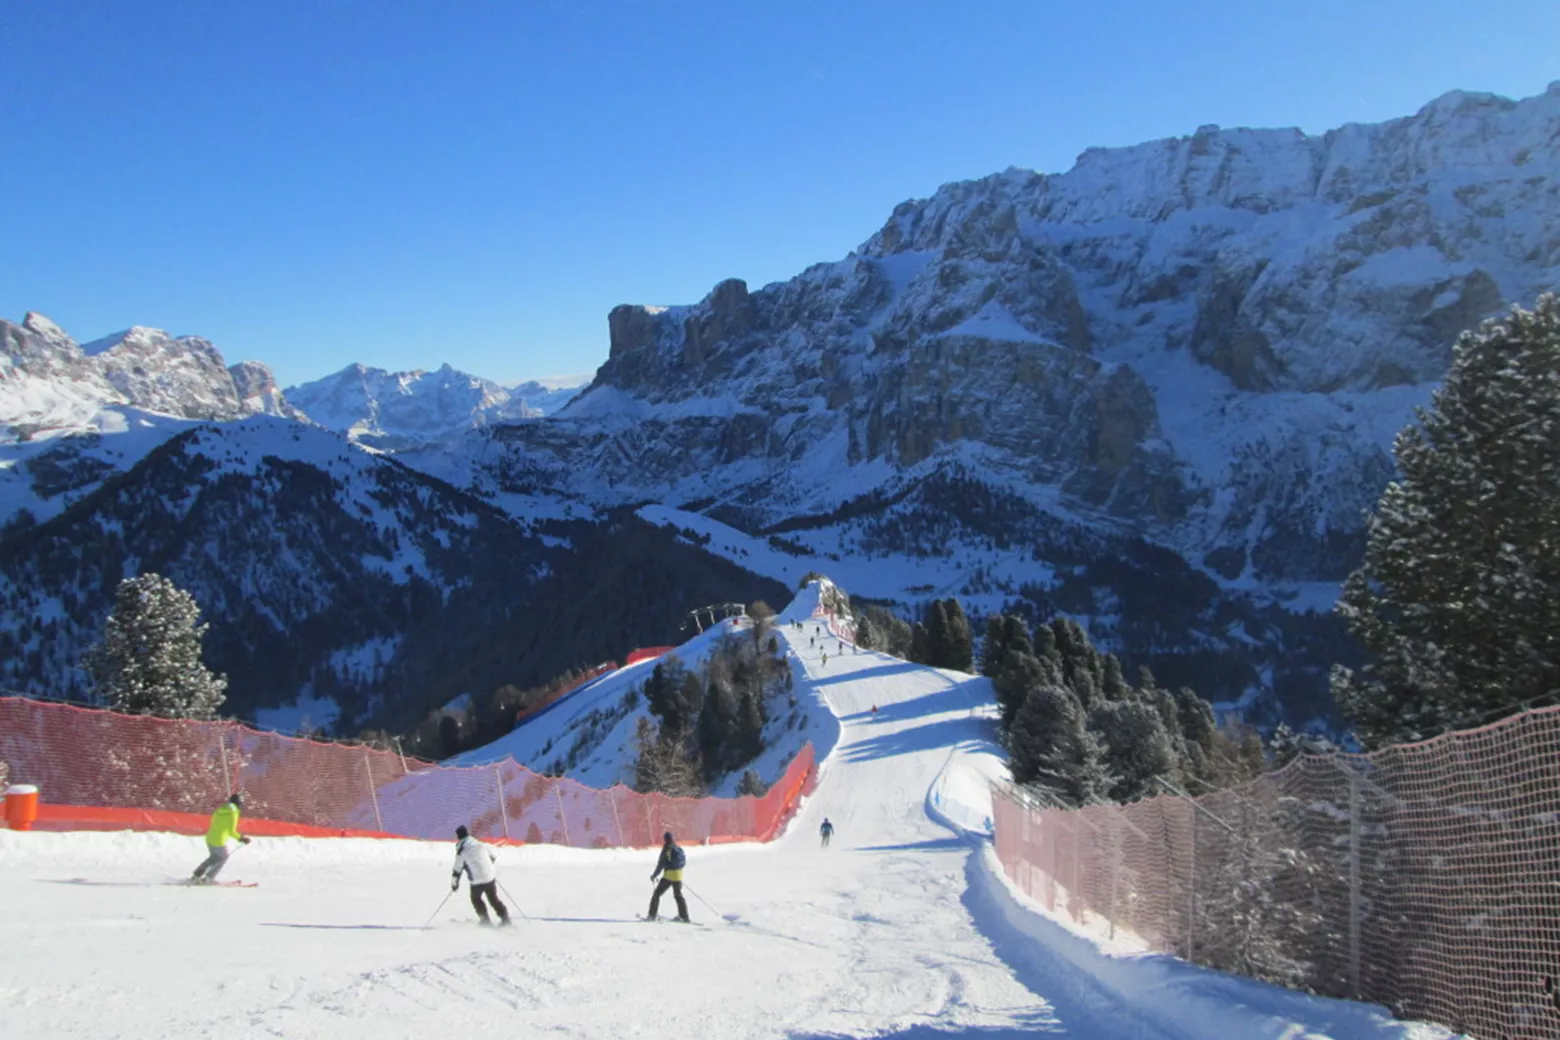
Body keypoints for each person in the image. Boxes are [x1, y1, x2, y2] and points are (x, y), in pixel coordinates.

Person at [451, 824, 510, 926]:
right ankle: (505, 918)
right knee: (493, 899)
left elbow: (457, 870)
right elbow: (493, 857)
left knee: (476, 899)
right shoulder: (482, 845)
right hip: (490, 877)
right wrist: (485, 867)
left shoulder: (461, 852)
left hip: (476, 881)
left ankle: (485, 920)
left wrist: (454, 884)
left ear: (459, 837)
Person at [191, 794, 250, 884]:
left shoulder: (221, 808)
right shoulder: (234, 812)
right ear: (239, 804)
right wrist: (242, 838)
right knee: (224, 857)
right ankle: (208, 878)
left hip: (210, 837)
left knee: (214, 858)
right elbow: (231, 831)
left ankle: (197, 874)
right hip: (219, 840)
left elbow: (213, 821)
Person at [647, 831, 689, 922]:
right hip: (678, 875)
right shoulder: (678, 848)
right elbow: (683, 862)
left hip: (669, 876)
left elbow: (660, 864)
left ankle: (652, 915)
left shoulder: (667, 849)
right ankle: (684, 917)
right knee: (678, 895)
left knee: (656, 894)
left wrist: (654, 875)